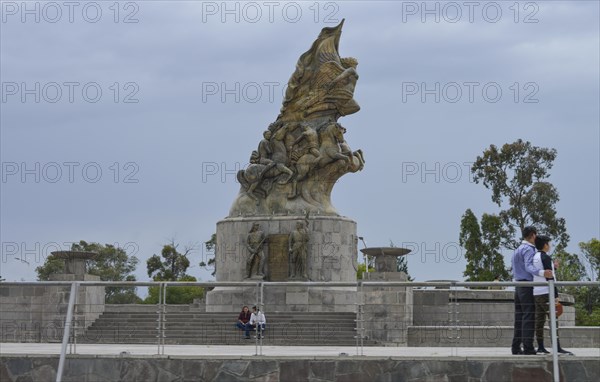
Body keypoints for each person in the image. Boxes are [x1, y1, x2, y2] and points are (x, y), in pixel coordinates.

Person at [511, 226, 553, 355]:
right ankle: (528, 348)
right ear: (533, 235)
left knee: (519, 318)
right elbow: (529, 267)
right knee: (529, 317)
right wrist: (542, 273)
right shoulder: (529, 249)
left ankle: (516, 347)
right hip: (527, 286)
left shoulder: (517, 250)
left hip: (518, 286)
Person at [532, 235, 574, 355]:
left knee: (539, 321)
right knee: (553, 320)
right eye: (548, 243)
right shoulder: (545, 257)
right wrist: (555, 295)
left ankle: (540, 347)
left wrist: (553, 267)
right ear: (545, 245)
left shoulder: (535, 256)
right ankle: (557, 347)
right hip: (546, 292)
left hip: (536, 292)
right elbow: (549, 276)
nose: (549, 245)